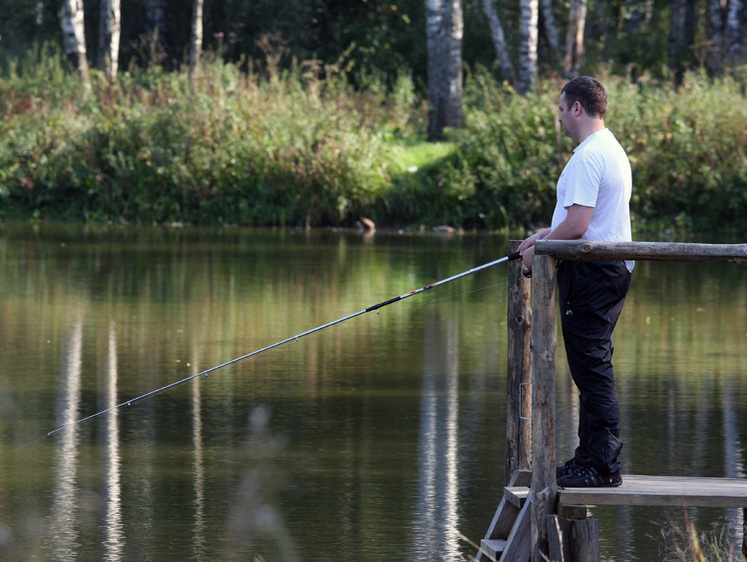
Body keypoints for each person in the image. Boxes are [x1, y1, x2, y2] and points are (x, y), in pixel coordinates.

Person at [517, 76, 633, 488]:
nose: (560, 116)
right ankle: (588, 458)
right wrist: (539, 238)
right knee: (589, 365)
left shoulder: (587, 157)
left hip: (593, 270)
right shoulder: (611, 149)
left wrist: (538, 252)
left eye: (562, 108)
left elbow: (580, 225)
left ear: (578, 108)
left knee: (592, 367)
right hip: (608, 268)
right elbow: (577, 222)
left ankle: (602, 466)